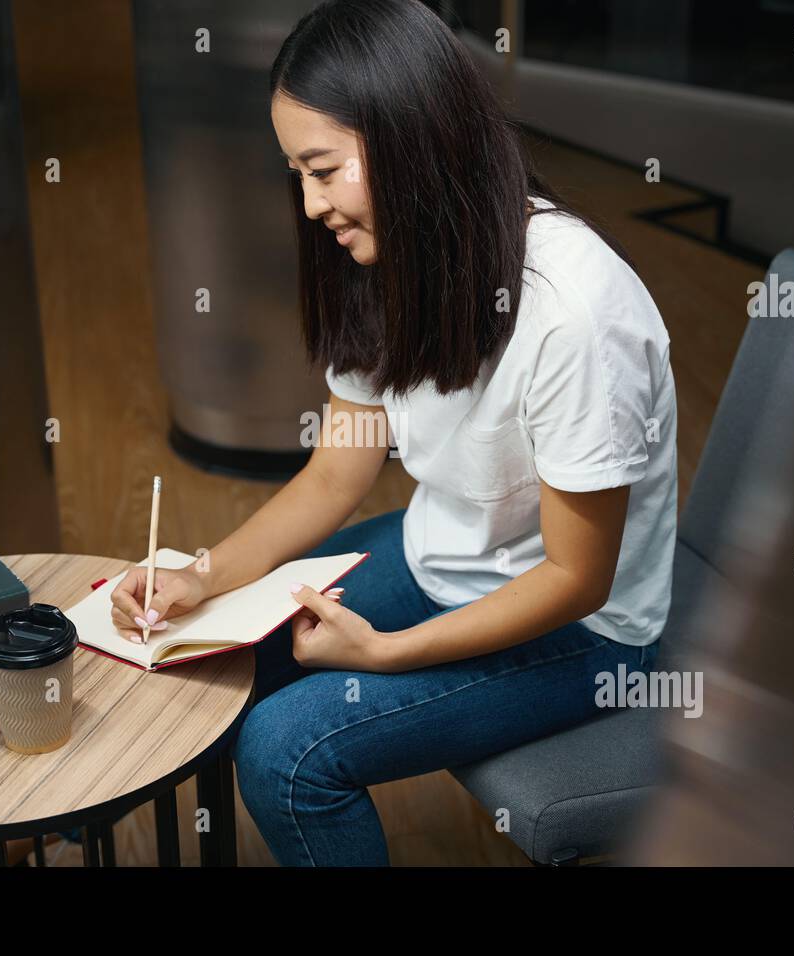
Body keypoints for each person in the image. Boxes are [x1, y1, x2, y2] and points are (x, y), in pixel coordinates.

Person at [111, 0, 677, 866]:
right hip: (440, 558)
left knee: (287, 754)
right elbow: (335, 477)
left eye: (324, 169)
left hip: (587, 635)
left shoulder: (578, 313)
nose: (309, 204)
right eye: (296, 174)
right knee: (204, 660)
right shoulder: (388, 260)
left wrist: (384, 654)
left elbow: (578, 579)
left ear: (412, 138)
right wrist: (201, 575)